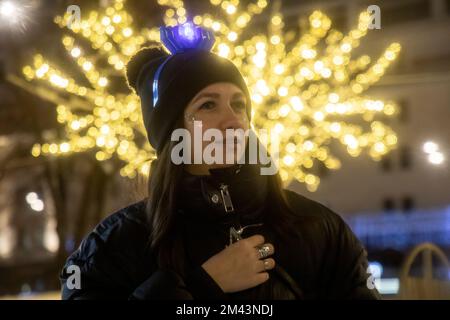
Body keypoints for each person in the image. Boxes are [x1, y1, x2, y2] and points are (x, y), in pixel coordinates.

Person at [60, 24, 380, 300]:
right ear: (173, 130)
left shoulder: (320, 228)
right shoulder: (115, 244)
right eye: (208, 105)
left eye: (239, 104)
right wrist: (202, 287)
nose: (233, 121)